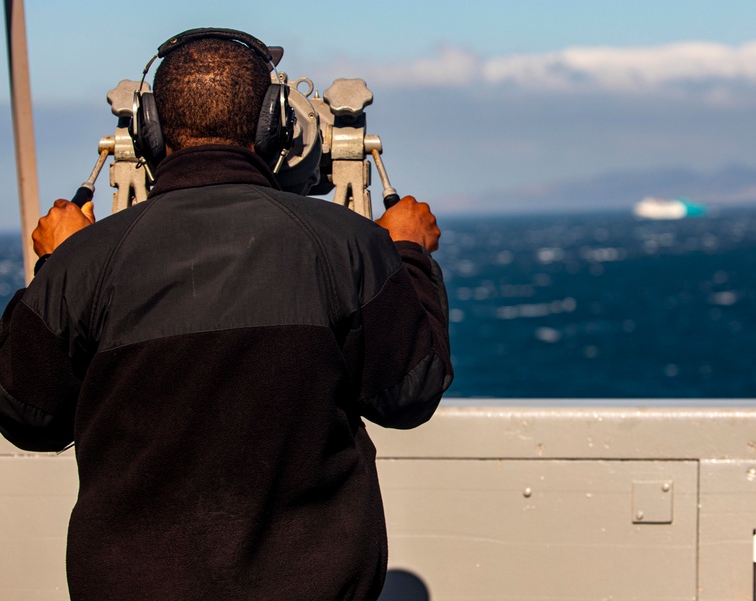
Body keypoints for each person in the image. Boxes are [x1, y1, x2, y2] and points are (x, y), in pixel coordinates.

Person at [0, 30, 453, 600]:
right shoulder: (349, 247)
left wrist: (60, 266)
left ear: (148, 128)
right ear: (274, 123)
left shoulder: (85, 264)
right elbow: (410, 394)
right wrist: (408, 256)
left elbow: (26, 415)